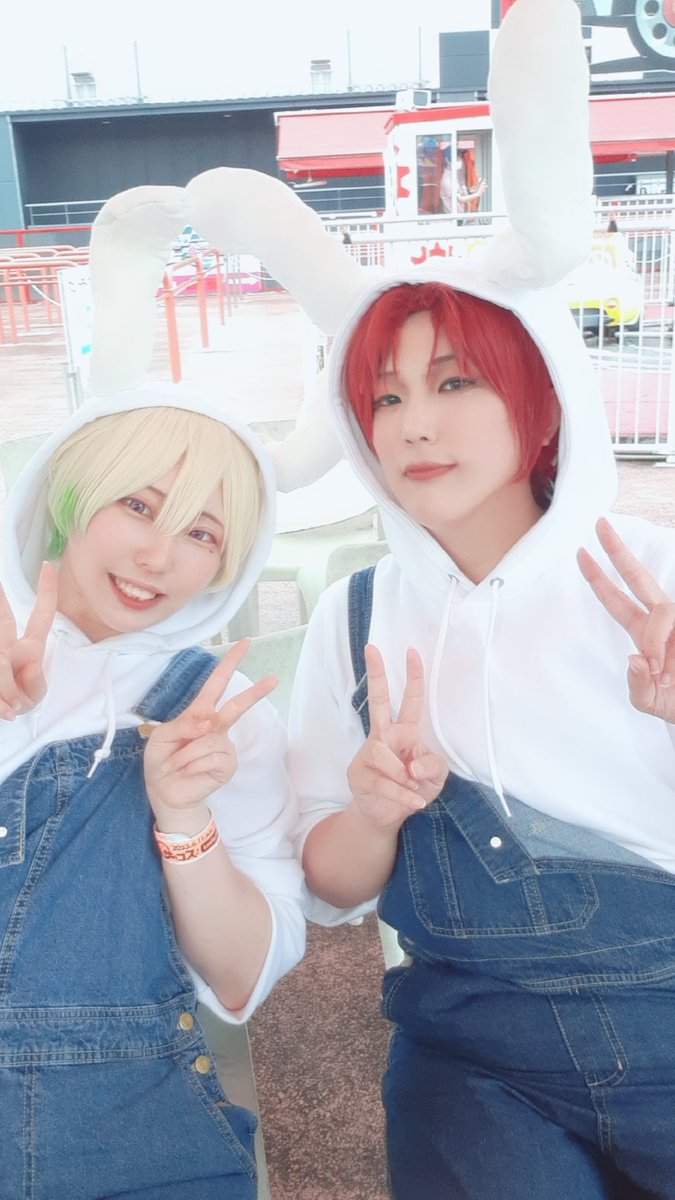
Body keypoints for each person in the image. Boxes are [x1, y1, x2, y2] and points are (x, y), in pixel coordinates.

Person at [288, 266, 675, 1199]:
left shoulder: (652, 578)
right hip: (472, 1056)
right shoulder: (353, 617)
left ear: (544, 403)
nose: (414, 425)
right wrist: (373, 814)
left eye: (455, 382)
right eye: (387, 397)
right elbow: (328, 883)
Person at [0, 384, 305, 1200]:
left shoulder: (219, 716)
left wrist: (182, 812)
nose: (157, 558)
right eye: (138, 505)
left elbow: (242, 977)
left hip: (138, 1140)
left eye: (201, 533)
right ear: (68, 495)